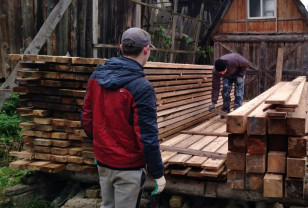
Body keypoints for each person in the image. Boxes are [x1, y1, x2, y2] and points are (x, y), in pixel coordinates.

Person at [81, 27, 165, 208]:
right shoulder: (141, 87)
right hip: (128, 167)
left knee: (107, 205)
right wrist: (158, 172)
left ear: (121, 47)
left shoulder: (96, 76)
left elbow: (86, 118)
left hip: (103, 161)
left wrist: (100, 144)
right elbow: (147, 137)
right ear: (146, 50)